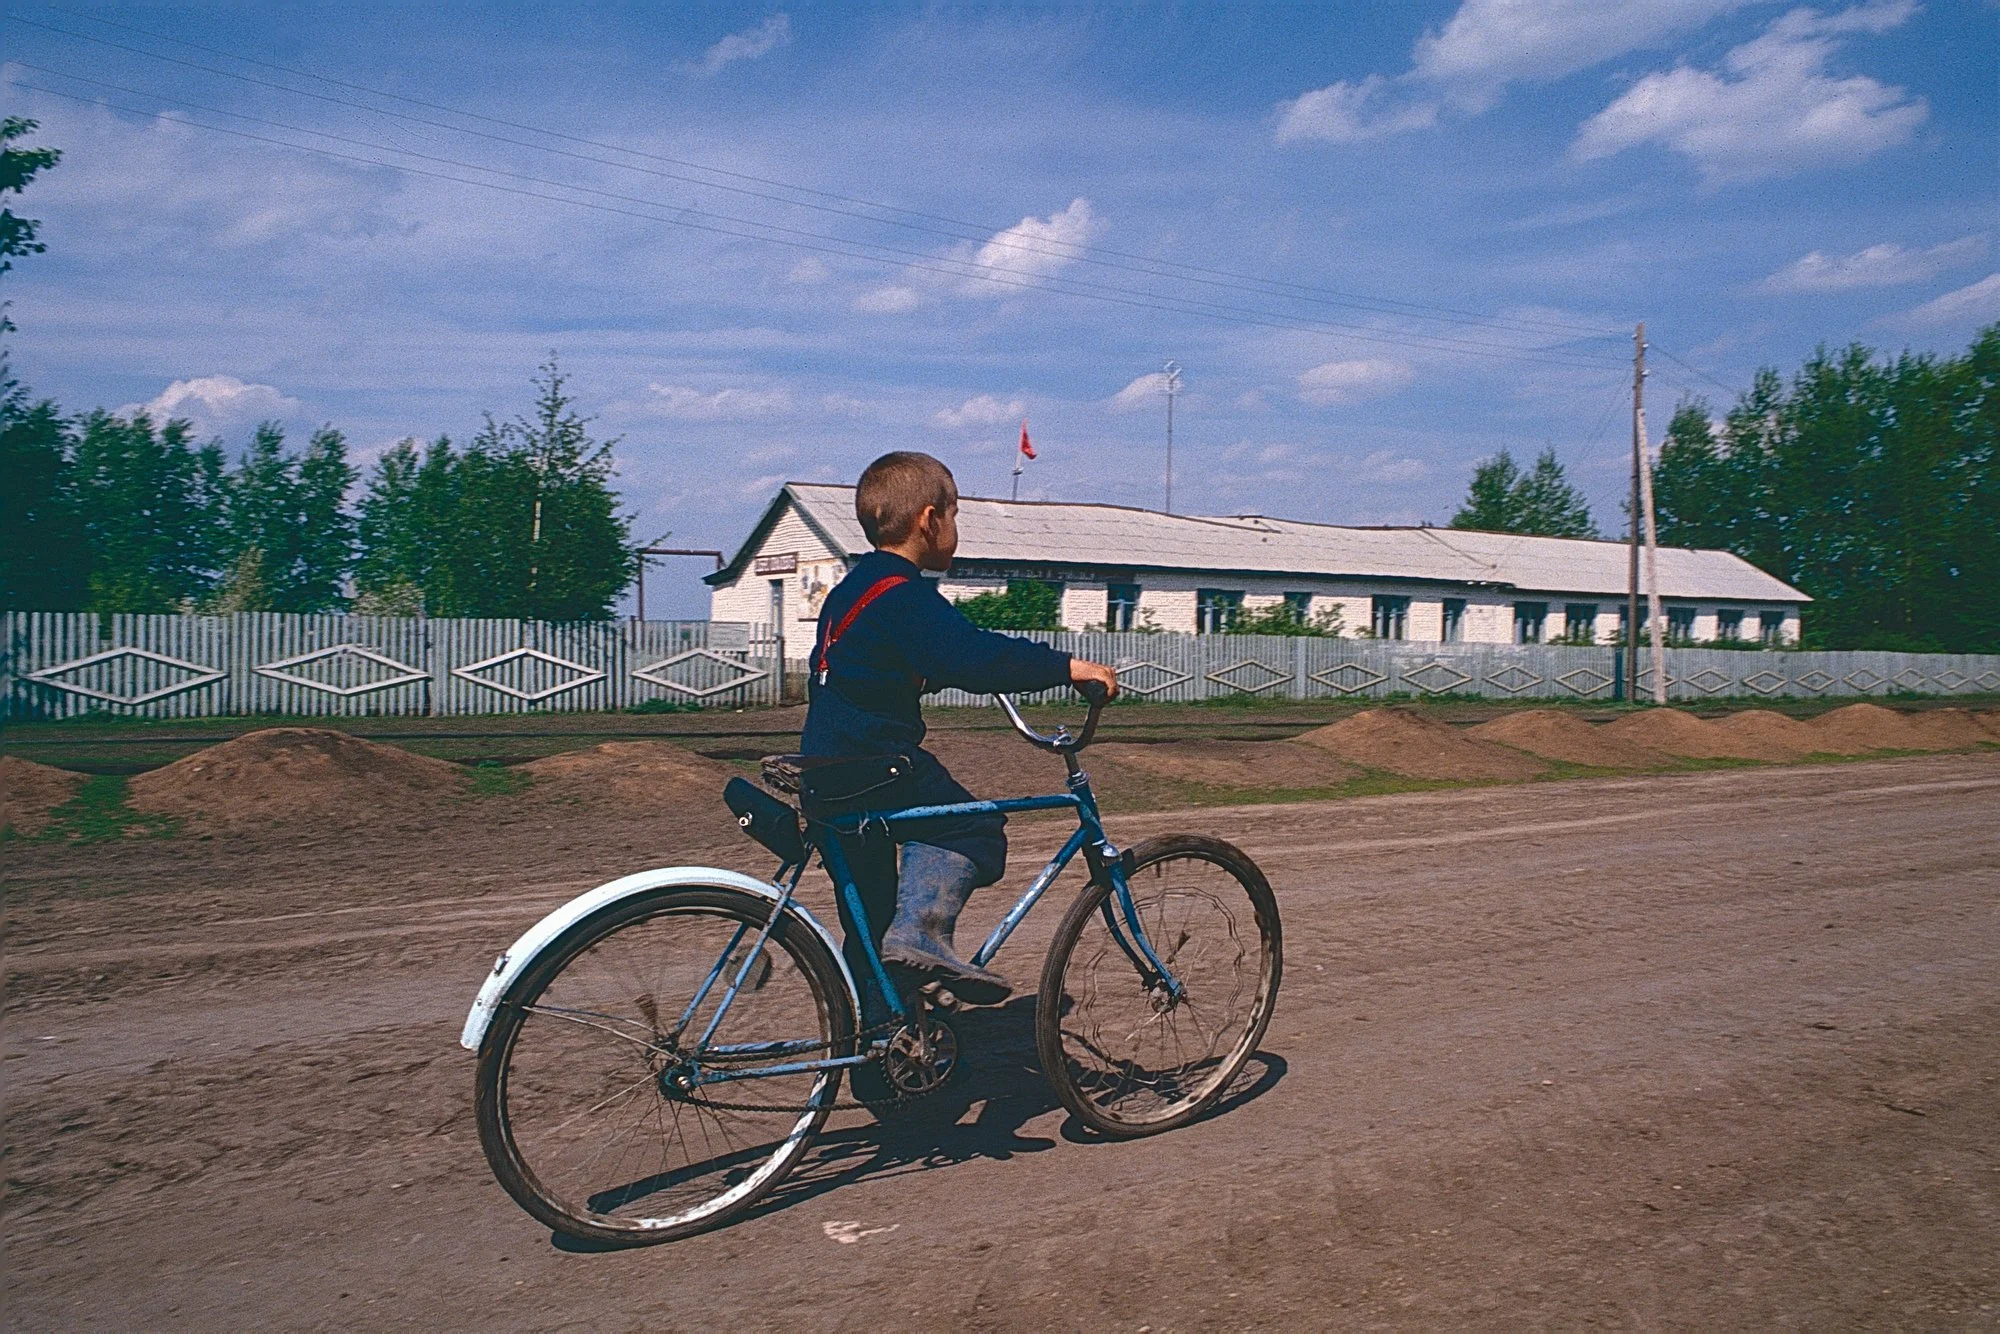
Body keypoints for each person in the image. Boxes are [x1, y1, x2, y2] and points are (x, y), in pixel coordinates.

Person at [800, 451, 1118, 1009]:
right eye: (955, 515)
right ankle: (922, 932)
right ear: (929, 520)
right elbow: (973, 656)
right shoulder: (904, 594)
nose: (955, 529)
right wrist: (1066, 668)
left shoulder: (854, 589)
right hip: (876, 766)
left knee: (870, 923)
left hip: (825, 770)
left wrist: (912, 676)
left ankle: (883, 1054)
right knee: (974, 829)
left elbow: (858, 664)